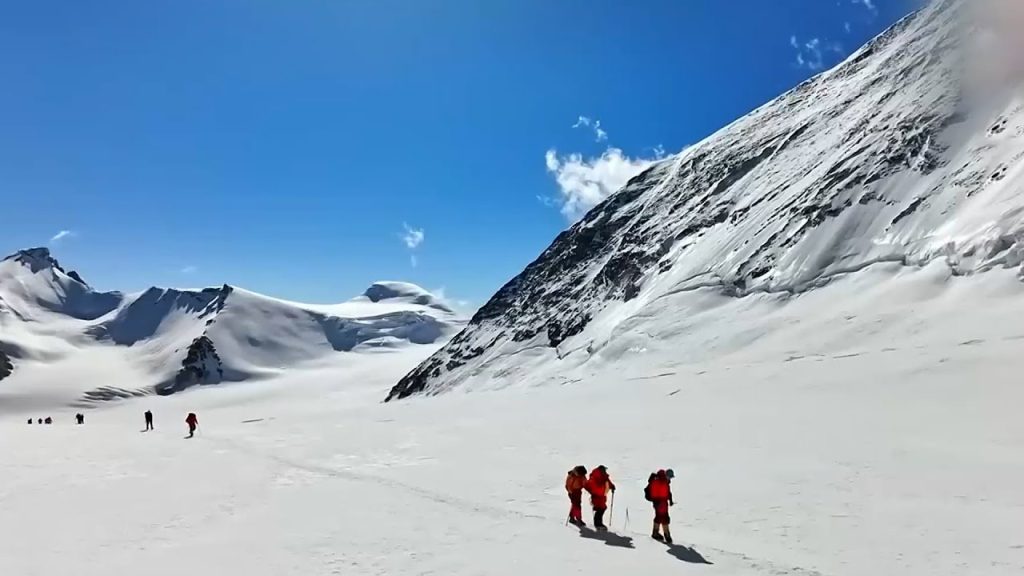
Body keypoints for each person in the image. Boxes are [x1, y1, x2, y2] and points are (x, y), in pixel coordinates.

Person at [645, 469, 674, 543]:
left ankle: (655, 533)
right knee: (664, 518)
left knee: (659, 517)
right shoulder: (659, 481)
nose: (670, 479)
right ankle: (667, 536)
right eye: (669, 477)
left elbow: (667, 492)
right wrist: (658, 501)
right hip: (660, 503)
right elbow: (656, 491)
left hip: (661, 502)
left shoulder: (663, 481)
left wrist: (670, 500)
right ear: (666, 475)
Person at [584, 465, 616, 531]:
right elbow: (589, 485)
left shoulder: (604, 476)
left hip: (602, 495)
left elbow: (608, 482)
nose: (605, 471)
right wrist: (593, 492)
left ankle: (599, 523)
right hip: (597, 496)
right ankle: (598, 524)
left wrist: (612, 486)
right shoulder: (595, 477)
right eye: (604, 470)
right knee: (600, 509)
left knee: (601, 508)